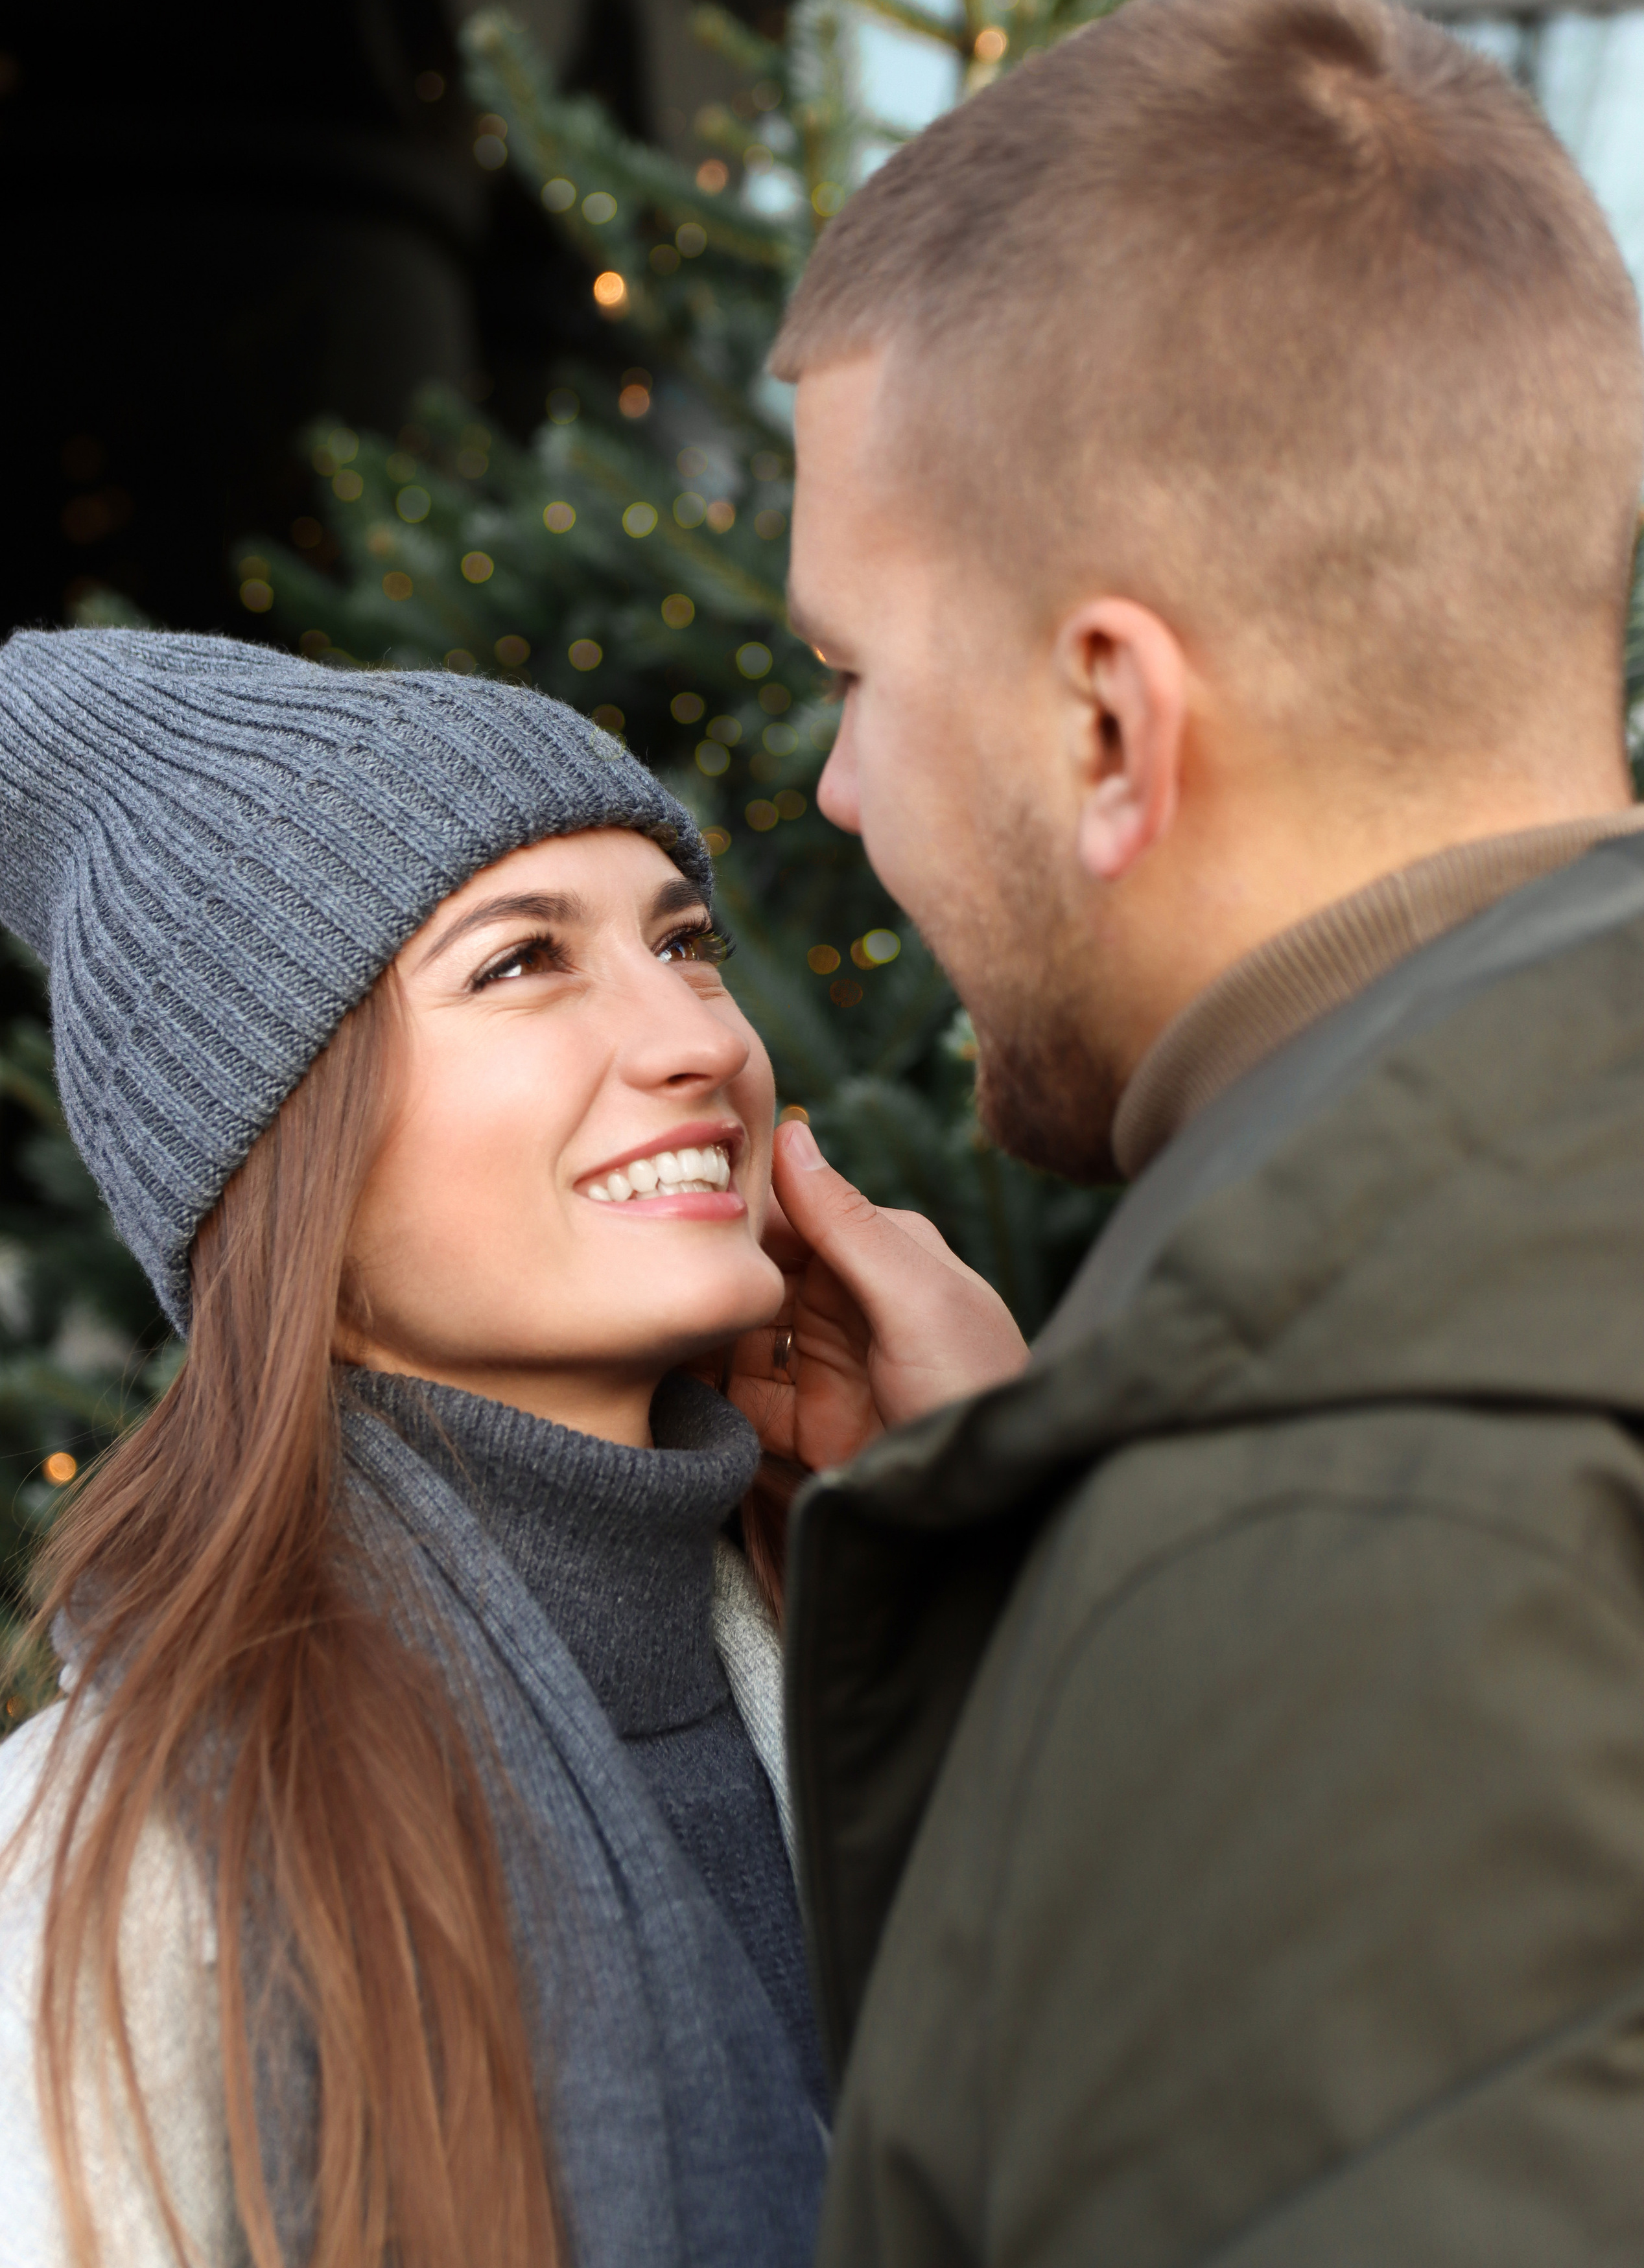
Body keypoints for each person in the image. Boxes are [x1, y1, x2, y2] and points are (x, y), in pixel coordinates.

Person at [765, 0, 1644, 2263]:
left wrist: (1184, 1571)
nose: (835, 788)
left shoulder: (1348, 1535)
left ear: (1110, 731)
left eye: (856, 677)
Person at [0, 626, 1018, 2268]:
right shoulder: (123, 1867)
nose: (698, 1040)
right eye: (522, 963)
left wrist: (1006, 1514)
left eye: (686, 944)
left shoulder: (894, 1651)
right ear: (280, 1150)